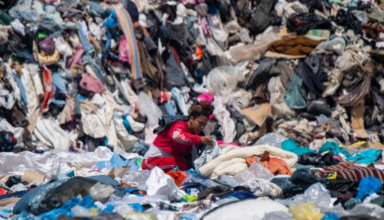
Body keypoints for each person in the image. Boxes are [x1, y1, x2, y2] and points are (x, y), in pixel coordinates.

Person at [142, 101, 214, 172]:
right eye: (200, 123)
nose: (202, 127)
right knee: (180, 163)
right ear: (191, 119)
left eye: (204, 125)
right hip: (149, 163)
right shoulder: (180, 126)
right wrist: (199, 139)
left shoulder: (193, 134)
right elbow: (177, 136)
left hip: (165, 163)